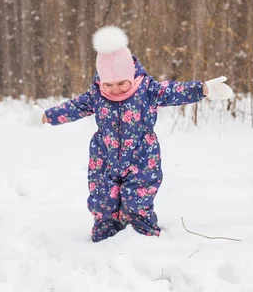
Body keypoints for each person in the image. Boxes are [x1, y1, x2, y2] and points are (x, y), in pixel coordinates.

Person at [28, 26, 233, 242]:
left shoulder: (147, 90)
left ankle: (142, 237)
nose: (115, 89)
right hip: (104, 157)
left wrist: (203, 89)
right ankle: (105, 235)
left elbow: (174, 91)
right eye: (109, 84)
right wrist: (46, 116)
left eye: (121, 83)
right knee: (102, 200)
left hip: (142, 155)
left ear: (131, 76)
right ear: (101, 80)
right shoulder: (96, 95)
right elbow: (73, 108)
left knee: (138, 199)